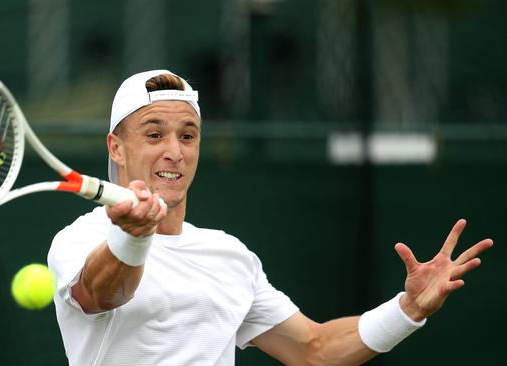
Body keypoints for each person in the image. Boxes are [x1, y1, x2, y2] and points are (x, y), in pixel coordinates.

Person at [47, 70, 493, 365]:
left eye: (188, 135)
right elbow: (102, 294)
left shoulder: (230, 256)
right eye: (154, 134)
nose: (174, 151)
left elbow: (315, 349)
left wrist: (408, 309)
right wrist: (135, 236)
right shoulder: (80, 240)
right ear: (116, 147)